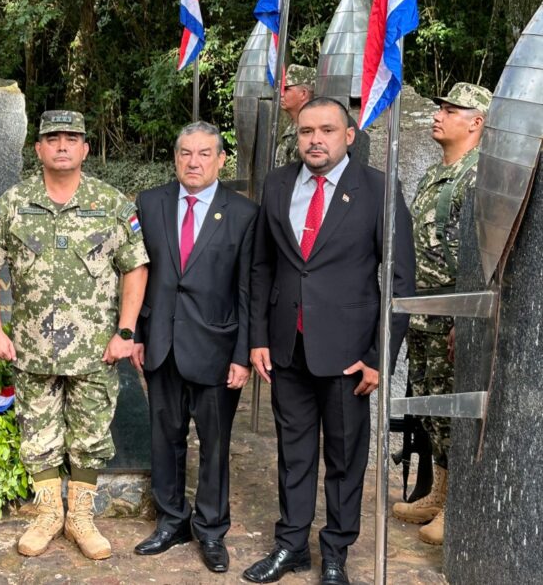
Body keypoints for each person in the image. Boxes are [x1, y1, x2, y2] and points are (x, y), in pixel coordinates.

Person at [244, 97, 415, 585]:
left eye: (326, 130)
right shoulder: (277, 184)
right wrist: (258, 336)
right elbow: (262, 266)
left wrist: (378, 358)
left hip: (348, 355)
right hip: (286, 347)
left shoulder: (379, 189)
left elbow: (400, 281)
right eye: (305, 131)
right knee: (293, 453)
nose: (315, 140)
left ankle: (336, 551)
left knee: (344, 458)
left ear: (349, 135)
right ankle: (291, 545)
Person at [0, 110, 149, 561]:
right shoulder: (13, 203)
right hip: (33, 348)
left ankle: (81, 517)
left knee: (91, 434)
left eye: (73, 138)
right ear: (39, 149)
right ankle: (50, 514)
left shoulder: (112, 205)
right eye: (53, 138)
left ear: (86, 148)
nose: (63, 146)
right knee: (38, 434)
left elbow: (135, 268)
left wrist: (125, 332)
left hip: (96, 350)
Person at [131, 122, 257, 573]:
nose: (194, 161)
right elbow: (138, 275)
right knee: (165, 438)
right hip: (161, 344)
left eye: (205, 153)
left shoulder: (243, 213)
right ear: (175, 157)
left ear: (222, 159)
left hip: (217, 350)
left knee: (215, 444)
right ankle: (171, 520)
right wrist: (138, 335)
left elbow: (248, 290)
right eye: (185, 152)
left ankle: (210, 529)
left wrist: (243, 354)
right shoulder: (149, 203)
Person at [392, 82, 491, 546]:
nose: (440, 115)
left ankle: (457, 507)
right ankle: (438, 492)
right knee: (431, 407)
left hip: (452, 311)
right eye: (441, 108)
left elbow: (482, 255)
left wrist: (462, 320)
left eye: (452, 110)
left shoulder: (480, 177)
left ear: (477, 122)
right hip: (423, 312)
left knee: (452, 410)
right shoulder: (438, 173)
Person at [273, 65, 316, 167]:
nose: (281, 94)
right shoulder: (291, 128)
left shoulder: (313, 131)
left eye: (287, 89)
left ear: (303, 94)